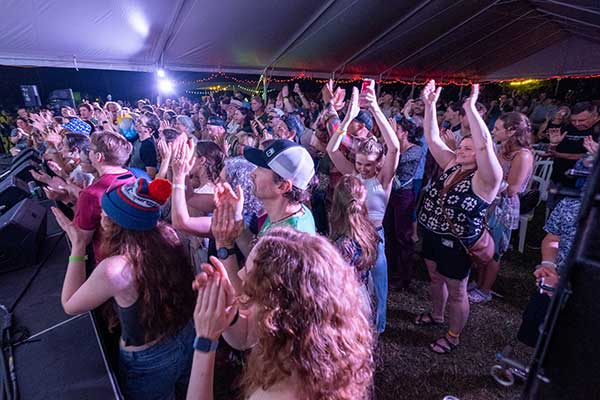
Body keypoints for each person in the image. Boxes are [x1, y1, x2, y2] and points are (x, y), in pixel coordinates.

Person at [186, 227, 374, 400]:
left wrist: (205, 341)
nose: (241, 276)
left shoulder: (279, 393)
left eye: (251, 273)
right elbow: (244, 338)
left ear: (278, 305)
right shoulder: (319, 353)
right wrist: (230, 312)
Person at [52, 178, 196, 400]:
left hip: (149, 360)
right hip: (186, 336)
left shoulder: (116, 269)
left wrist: (78, 245)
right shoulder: (168, 235)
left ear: (116, 222)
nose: (101, 216)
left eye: (105, 213)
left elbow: (70, 304)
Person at [415, 80, 502, 354]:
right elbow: (432, 139)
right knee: (435, 277)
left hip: (456, 244)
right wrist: (430, 106)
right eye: (462, 147)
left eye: (469, 149)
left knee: (457, 290)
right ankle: (437, 315)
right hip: (432, 235)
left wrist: (470, 108)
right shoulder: (453, 163)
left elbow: (485, 144)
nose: (463, 151)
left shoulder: (486, 179)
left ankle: (453, 336)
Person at [326, 85, 400, 333]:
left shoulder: (383, 180)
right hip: (351, 238)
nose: (362, 169)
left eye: (368, 165)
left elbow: (395, 148)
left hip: (375, 239)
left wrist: (376, 108)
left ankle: (377, 329)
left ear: (379, 163)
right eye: (359, 163)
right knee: (350, 287)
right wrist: (347, 117)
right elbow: (331, 149)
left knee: (379, 286)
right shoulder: (352, 174)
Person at [469, 112, 534, 303]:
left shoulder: (523, 155)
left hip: (503, 208)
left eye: (497, 129)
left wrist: (490, 179)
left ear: (512, 131)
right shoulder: (500, 148)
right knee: (482, 247)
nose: (493, 131)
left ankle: (485, 289)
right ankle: (478, 282)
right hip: (489, 202)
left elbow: (513, 189)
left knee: (494, 251)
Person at [73, 131, 136, 262]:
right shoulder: (133, 176)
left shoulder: (91, 194)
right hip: (136, 254)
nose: (88, 152)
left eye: (90, 149)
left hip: (110, 261)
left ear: (98, 157)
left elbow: (83, 239)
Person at [383, 115, 423, 290]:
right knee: (389, 233)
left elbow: (395, 161)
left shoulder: (416, 150)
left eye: (396, 130)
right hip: (390, 193)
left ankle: (404, 276)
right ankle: (390, 270)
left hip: (404, 196)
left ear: (404, 133)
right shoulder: (392, 147)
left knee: (403, 236)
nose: (392, 133)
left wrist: (390, 139)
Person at [329, 174, 378, 315]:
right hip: (363, 290)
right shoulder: (368, 230)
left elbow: (337, 281)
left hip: (347, 299)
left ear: (336, 204)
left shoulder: (343, 244)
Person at [130, 113, 158, 178]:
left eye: (140, 122)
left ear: (148, 130)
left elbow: (151, 174)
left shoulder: (148, 146)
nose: (136, 123)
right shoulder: (137, 137)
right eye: (137, 120)